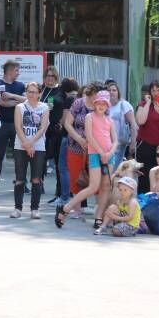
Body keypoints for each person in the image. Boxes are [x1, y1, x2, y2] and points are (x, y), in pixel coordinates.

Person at [56, 91, 115, 230]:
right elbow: (89, 137)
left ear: (107, 105)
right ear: (95, 104)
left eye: (104, 103)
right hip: (95, 154)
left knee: (105, 187)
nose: (101, 105)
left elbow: (115, 140)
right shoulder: (90, 117)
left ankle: (99, 217)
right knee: (93, 186)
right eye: (99, 102)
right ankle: (66, 207)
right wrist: (101, 153)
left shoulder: (109, 120)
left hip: (109, 156)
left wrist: (110, 153)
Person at [11, 81, 50, 219]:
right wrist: (26, 144)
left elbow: (42, 128)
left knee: (36, 179)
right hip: (20, 145)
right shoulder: (20, 107)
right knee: (20, 178)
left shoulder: (44, 108)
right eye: (29, 91)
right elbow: (18, 127)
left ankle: (35, 209)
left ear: (40, 93)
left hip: (38, 146)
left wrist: (31, 143)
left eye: (34, 92)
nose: (32, 95)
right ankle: (17, 208)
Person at [0, 61, 26, 193]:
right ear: (9, 71)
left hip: (17, 125)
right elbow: (0, 102)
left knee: (19, 155)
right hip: (2, 125)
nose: (18, 73)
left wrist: (11, 96)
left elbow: (27, 100)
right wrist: (18, 101)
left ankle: (21, 183)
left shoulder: (20, 85)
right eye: (16, 70)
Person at [41, 67, 67, 202]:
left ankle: (59, 191)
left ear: (56, 77)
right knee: (40, 159)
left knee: (58, 162)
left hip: (56, 129)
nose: (49, 78)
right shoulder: (41, 89)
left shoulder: (60, 90)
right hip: (41, 129)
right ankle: (39, 185)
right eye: (47, 76)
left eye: (52, 76)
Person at [106, 80, 136, 171]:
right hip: (106, 143)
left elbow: (133, 124)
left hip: (119, 143)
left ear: (118, 92)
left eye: (114, 90)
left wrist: (133, 143)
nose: (111, 92)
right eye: (109, 90)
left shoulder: (124, 105)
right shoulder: (105, 106)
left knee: (114, 170)